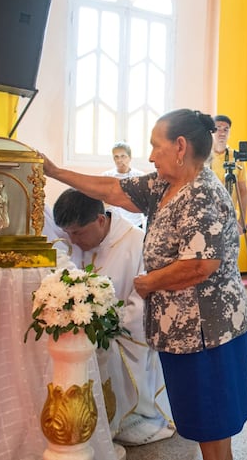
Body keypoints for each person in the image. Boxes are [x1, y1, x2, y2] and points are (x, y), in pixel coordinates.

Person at [42, 108, 247, 460]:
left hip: (207, 330)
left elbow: (201, 264)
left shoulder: (202, 194)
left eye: (157, 146)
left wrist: (149, 282)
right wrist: (55, 172)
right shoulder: (164, 185)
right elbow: (111, 189)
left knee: (213, 421)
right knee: (204, 423)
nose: (151, 155)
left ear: (180, 146)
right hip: (181, 330)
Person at [52, 189, 174, 447]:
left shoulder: (138, 243)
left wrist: (106, 329)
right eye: (68, 233)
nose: (73, 241)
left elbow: (144, 301)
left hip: (123, 335)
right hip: (83, 328)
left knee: (100, 354)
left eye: (78, 233)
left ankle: (110, 418)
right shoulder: (70, 241)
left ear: (99, 220)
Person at [208, 115, 247, 232]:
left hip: (230, 217)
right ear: (212, 132)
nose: (222, 133)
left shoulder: (236, 157)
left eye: (226, 129)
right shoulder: (203, 157)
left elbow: (243, 190)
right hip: (207, 215)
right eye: (218, 128)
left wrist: (242, 219)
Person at [101, 141, 146, 228]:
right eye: (116, 157)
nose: (119, 160)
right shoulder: (107, 176)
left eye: (123, 156)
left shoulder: (139, 176)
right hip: (114, 222)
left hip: (135, 222)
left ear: (130, 158)